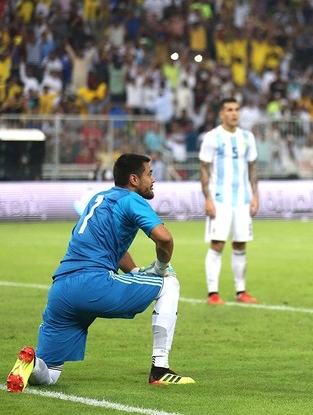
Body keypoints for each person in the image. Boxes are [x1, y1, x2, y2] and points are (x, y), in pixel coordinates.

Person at [6, 153, 194, 393]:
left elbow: (105, 244)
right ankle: (161, 369)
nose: (154, 179)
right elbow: (165, 238)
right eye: (150, 173)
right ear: (134, 179)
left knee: (50, 373)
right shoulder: (131, 199)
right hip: (93, 283)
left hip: (61, 289)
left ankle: (30, 364)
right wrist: (160, 269)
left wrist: (135, 271)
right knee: (169, 284)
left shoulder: (98, 199)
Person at [199, 97, 259, 305]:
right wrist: (207, 199)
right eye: (229, 110)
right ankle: (212, 293)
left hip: (242, 199)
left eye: (236, 109)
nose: (234, 113)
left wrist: (255, 196)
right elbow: (204, 170)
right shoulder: (212, 137)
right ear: (221, 114)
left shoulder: (247, 137)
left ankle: (240, 291)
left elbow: (252, 168)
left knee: (241, 244)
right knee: (217, 244)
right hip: (219, 199)